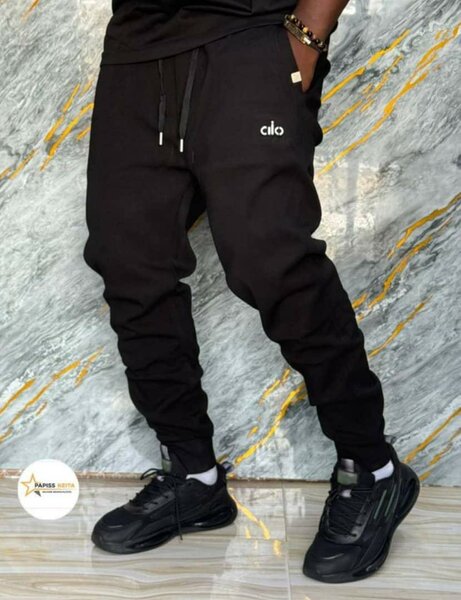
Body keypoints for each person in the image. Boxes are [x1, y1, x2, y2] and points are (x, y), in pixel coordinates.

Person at [83, 0, 420, 583]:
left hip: (249, 38)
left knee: (272, 261)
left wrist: (306, 38)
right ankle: (193, 477)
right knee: (130, 266)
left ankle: (373, 469)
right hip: (135, 51)